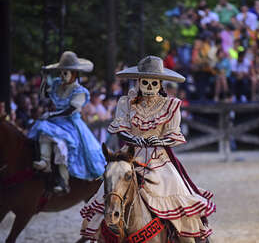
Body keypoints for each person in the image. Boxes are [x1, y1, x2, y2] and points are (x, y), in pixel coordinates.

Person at [80, 56, 215, 242]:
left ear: (160, 84)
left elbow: (174, 135)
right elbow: (120, 130)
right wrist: (134, 138)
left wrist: (158, 140)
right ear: (139, 82)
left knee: (176, 190)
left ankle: (188, 238)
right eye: (145, 82)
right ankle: (98, 235)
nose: (149, 87)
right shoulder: (125, 102)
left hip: (159, 159)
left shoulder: (171, 105)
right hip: (129, 154)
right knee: (108, 188)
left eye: (154, 83)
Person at [28, 51, 106, 194]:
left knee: (61, 145)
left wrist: (50, 114)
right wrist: (44, 78)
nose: (62, 76)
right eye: (61, 73)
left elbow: (70, 110)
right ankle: (45, 161)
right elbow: (43, 95)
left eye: (66, 73)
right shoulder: (57, 84)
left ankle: (63, 181)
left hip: (71, 124)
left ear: (74, 74)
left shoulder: (79, 91)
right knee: (43, 132)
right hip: (55, 122)